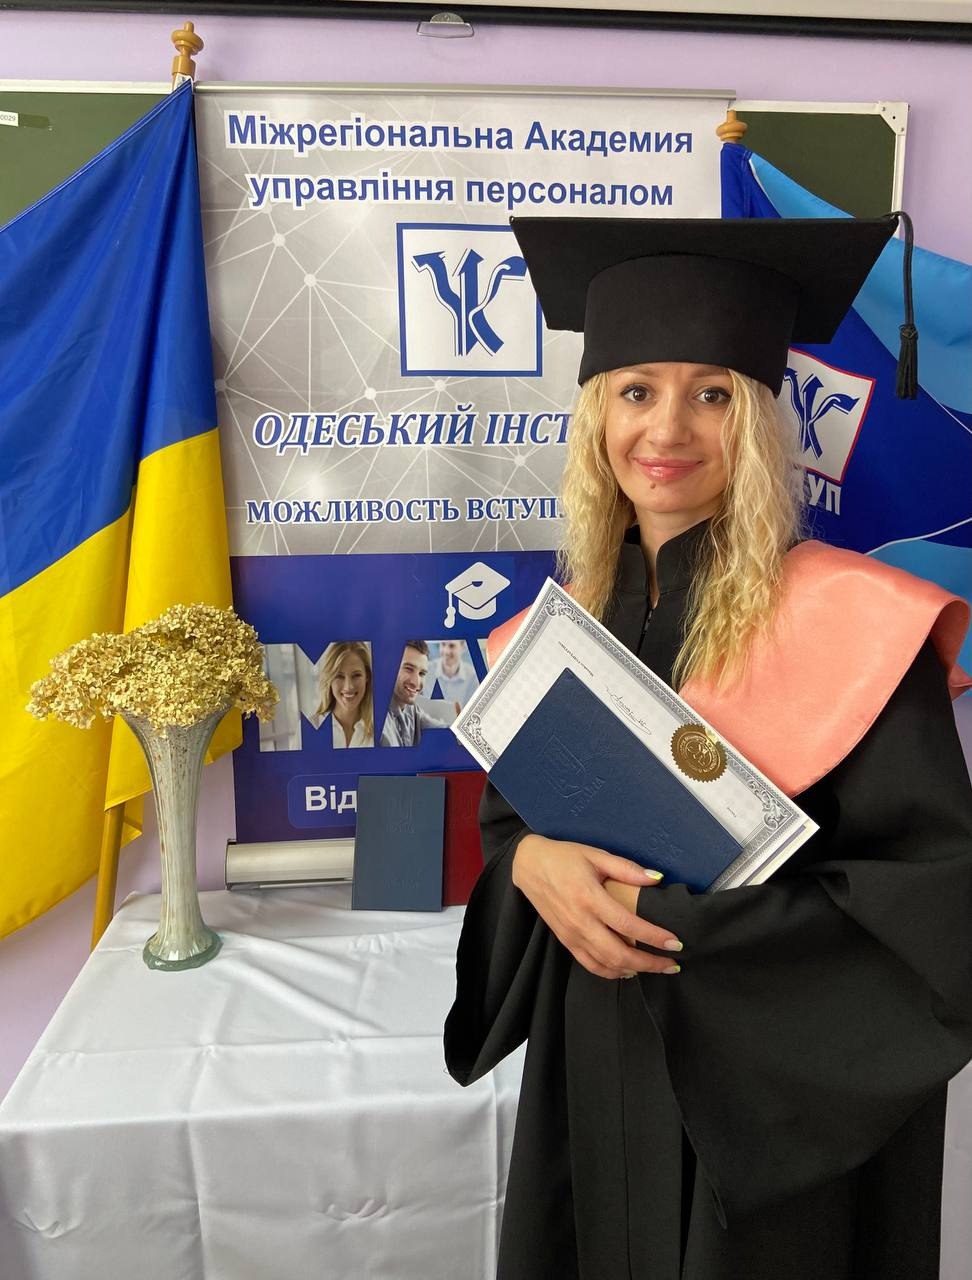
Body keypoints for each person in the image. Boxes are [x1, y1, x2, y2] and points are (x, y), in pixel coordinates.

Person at [444, 215, 972, 1280]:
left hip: (768, 1113)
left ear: (761, 421)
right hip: (593, 1062)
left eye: (714, 394)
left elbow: (929, 907)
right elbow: (514, 831)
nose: (667, 428)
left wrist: (681, 923)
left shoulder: (860, 625)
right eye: (637, 390)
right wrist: (531, 866)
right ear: (597, 416)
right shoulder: (563, 630)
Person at [379, 640, 440, 747]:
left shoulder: (411, 709)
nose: (416, 682)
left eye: (422, 673)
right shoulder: (377, 720)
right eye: (408, 669)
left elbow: (439, 728)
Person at [317, 641, 374, 748]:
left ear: (367, 677)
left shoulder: (381, 732)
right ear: (329, 679)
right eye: (339, 676)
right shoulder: (308, 729)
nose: (348, 687)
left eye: (356, 675)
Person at [431, 638, 479, 709]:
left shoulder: (473, 677)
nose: (446, 651)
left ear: (463, 647)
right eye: (443, 644)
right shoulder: (426, 670)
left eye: (452, 646)